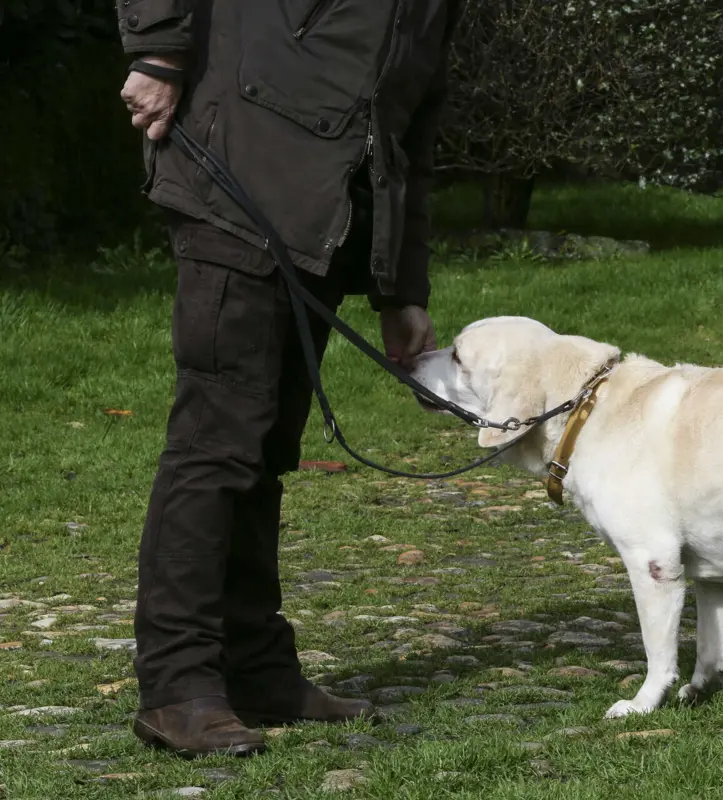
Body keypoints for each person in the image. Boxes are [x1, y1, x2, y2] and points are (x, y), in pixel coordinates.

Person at [115, 0, 459, 757]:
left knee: (263, 448)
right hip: (237, 176)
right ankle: (177, 687)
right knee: (217, 444)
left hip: (328, 215)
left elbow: (411, 128)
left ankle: (256, 669)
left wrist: (402, 290)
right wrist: (158, 53)